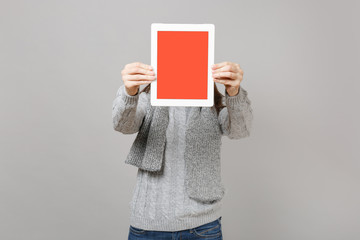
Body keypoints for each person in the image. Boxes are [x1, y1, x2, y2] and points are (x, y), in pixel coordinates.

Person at [112, 61, 253, 240]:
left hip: (203, 227)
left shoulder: (214, 103)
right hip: (147, 226)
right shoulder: (148, 98)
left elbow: (240, 129)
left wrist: (234, 92)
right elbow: (122, 125)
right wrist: (129, 92)